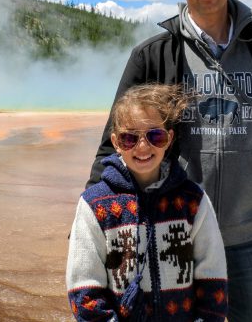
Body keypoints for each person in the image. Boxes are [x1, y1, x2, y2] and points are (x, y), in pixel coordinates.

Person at [86, 0, 252, 321]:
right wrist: (93, 219)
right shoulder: (154, 56)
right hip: (175, 235)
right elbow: (118, 141)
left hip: (249, 241)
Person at [67, 83, 228, 321]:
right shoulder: (94, 205)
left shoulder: (192, 200)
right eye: (129, 138)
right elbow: (84, 288)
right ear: (116, 142)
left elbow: (212, 277)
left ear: (169, 138)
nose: (143, 147)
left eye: (155, 135)